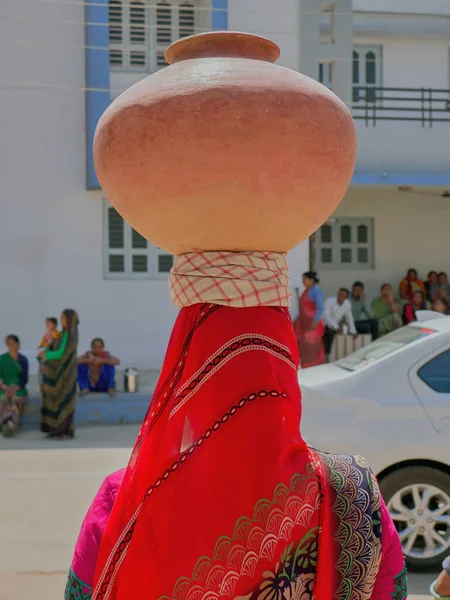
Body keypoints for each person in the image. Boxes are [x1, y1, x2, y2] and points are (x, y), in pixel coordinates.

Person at [39, 309, 79, 439]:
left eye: (64, 318)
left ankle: (62, 430)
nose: (62, 321)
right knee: (57, 401)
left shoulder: (71, 335)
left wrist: (47, 355)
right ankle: (56, 429)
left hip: (67, 375)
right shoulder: (62, 334)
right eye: (61, 318)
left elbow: (62, 354)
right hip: (59, 373)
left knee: (64, 401)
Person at [294, 271, 325, 367]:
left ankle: (314, 367)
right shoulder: (306, 291)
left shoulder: (316, 290)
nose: (303, 282)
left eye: (305, 279)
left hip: (312, 323)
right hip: (304, 323)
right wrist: (296, 319)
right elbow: (303, 309)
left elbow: (320, 307)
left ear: (311, 280)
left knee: (312, 345)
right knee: (304, 346)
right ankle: (306, 366)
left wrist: (315, 320)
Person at [0, 335, 29, 436]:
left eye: (13, 344)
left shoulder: (23, 360)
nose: (11, 346)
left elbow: (24, 379)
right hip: (3, 387)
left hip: (18, 388)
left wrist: (15, 388)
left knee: (17, 400)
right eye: (9, 344)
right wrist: (4, 386)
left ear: (18, 344)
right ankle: (5, 423)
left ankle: (13, 422)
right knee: (2, 399)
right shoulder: (2, 359)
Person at [323, 287, 357, 361]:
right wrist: (336, 327)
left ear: (346, 297)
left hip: (336, 327)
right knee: (329, 333)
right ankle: (326, 356)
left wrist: (353, 331)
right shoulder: (329, 301)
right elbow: (326, 316)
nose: (340, 296)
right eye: (339, 294)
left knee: (344, 331)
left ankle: (335, 357)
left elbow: (349, 318)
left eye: (342, 295)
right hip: (324, 325)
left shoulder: (347, 304)